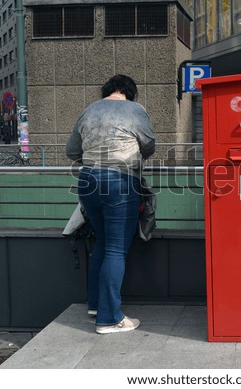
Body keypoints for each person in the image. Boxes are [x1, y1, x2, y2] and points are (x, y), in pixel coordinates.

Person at [66, 74, 155, 334]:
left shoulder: (89, 110)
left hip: (87, 180)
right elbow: (149, 146)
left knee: (103, 244)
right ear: (130, 92)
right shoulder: (135, 110)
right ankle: (109, 318)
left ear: (106, 91)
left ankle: (96, 305)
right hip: (120, 181)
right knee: (116, 249)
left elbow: (72, 152)